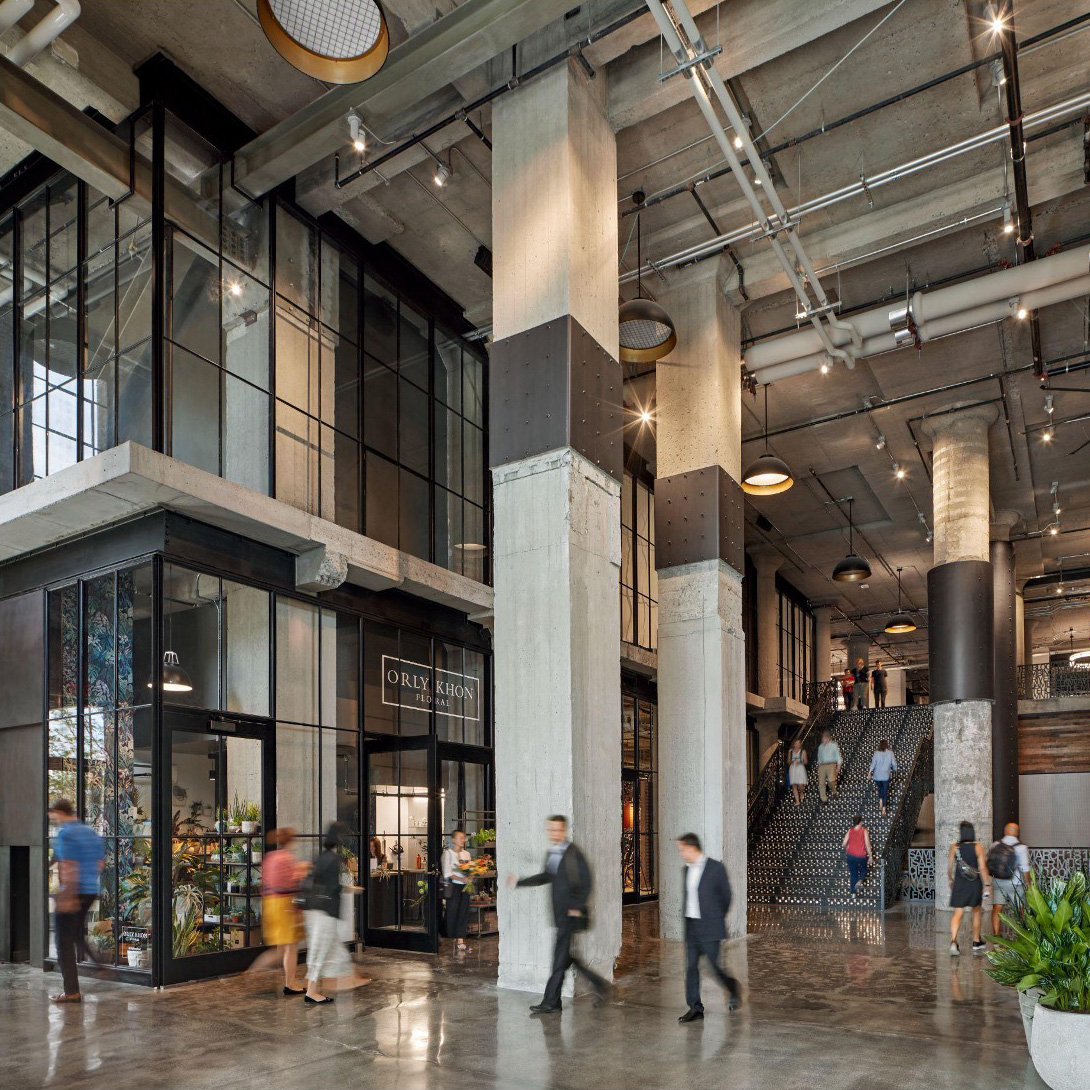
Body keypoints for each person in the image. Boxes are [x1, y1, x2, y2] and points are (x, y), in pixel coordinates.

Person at [506, 815, 609, 1014]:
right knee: (565, 958)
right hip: (559, 914)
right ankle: (600, 986)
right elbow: (545, 876)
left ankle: (551, 1001)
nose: (553, 833)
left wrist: (577, 905)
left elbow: (586, 882)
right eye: (550, 830)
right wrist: (519, 881)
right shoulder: (552, 853)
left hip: (570, 915)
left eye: (557, 830)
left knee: (559, 959)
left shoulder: (573, 853)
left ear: (564, 830)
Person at [675, 833, 741, 1022]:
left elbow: (726, 897)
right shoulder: (686, 870)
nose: (681, 853)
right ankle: (695, 1008)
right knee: (691, 968)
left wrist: (716, 918)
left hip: (710, 927)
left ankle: (733, 988)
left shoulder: (715, 868)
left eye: (682, 849)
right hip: (692, 927)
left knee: (714, 967)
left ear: (692, 848)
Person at [302, 823, 369, 1004]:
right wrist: (352, 889)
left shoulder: (320, 857)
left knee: (334, 950)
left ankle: (346, 980)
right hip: (324, 912)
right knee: (322, 950)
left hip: (313, 910)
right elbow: (333, 887)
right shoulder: (332, 859)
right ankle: (312, 991)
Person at [48, 798, 104, 1003]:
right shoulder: (91, 833)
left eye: (52, 815)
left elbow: (69, 866)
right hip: (90, 890)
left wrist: (68, 897)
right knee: (76, 932)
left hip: (73, 891)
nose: (52, 820)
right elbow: (100, 863)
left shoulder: (65, 833)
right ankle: (100, 964)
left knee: (62, 942)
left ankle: (71, 991)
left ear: (59, 812)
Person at [250, 827, 308, 994]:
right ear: (290, 841)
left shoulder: (270, 857)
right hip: (284, 905)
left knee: (281, 948)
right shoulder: (286, 858)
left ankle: (253, 970)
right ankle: (290, 984)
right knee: (290, 947)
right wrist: (302, 871)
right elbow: (290, 883)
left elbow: (265, 882)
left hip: (270, 904)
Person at [948, 821, 989, 956]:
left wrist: (950, 879)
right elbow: (982, 867)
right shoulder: (978, 847)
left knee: (957, 913)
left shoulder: (955, 847)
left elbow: (949, 867)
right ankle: (976, 941)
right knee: (976, 911)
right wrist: (987, 884)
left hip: (960, 884)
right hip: (974, 883)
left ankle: (953, 941)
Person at [988, 822, 1031, 935]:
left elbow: (990, 863)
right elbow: (1024, 868)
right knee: (1020, 909)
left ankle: (997, 935)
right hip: (1015, 883)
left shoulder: (995, 845)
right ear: (1017, 833)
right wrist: (1029, 884)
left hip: (998, 881)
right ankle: (1022, 934)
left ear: (1005, 831)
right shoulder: (1022, 848)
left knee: (997, 908)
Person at [442, 828, 472, 954]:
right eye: (460, 838)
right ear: (453, 840)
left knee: (463, 912)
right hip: (453, 886)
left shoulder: (467, 854)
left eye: (464, 838)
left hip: (464, 887)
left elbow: (470, 869)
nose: (463, 840)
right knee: (452, 912)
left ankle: (460, 941)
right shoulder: (448, 854)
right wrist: (461, 878)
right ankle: (446, 937)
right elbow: (447, 873)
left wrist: (471, 877)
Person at [842, 814, 873, 900]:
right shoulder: (864, 831)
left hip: (850, 856)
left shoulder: (850, 831)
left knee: (853, 875)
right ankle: (860, 880)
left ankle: (853, 895)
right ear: (859, 822)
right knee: (864, 869)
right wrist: (870, 856)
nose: (863, 822)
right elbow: (867, 844)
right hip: (861, 855)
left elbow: (844, 843)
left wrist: (847, 847)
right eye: (862, 821)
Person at [868, 740, 898, 818]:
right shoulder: (890, 753)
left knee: (880, 788)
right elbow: (894, 764)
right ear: (887, 745)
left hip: (877, 776)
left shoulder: (876, 753)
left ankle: (880, 801)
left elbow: (873, 763)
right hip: (885, 776)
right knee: (885, 792)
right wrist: (895, 769)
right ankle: (884, 810)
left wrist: (869, 773)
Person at [815, 730, 843, 804]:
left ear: (828, 738)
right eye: (823, 738)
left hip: (831, 764)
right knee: (821, 783)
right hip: (822, 766)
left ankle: (834, 791)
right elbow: (819, 757)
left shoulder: (834, 745)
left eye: (825, 737)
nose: (824, 739)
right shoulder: (820, 747)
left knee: (831, 780)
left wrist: (838, 766)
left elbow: (838, 756)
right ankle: (823, 799)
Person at [787, 738, 808, 806]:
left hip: (800, 768)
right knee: (794, 785)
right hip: (793, 769)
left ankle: (801, 792)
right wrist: (791, 760)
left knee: (800, 785)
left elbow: (806, 761)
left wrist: (800, 762)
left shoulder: (803, 751)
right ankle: (797, 801)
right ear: (794, 744)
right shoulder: (790, 751)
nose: (797, 744)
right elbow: (788, 761)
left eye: (799, 743)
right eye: (796, 743)